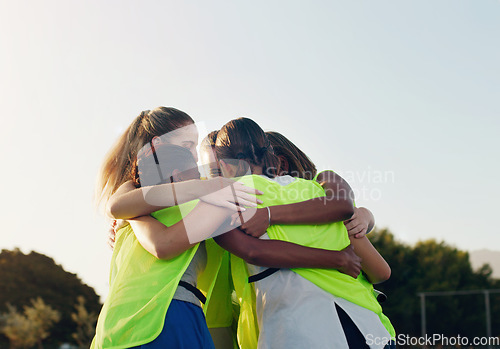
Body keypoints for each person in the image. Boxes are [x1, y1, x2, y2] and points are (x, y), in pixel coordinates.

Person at [94, 107, 364, 348]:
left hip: (160, 320)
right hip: (154, 319)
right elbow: (128, 215)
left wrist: (363, 214)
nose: (200, 164)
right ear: (157, 146)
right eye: (187, 146)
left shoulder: (210, 200)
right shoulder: (149, 196)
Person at [212, 118, 396, 349]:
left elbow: (253, 251)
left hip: (299, 328)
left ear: (226, 166)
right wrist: (362, 223)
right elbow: (345, 208)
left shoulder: (232, 195)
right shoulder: (320, 189)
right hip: (369, 325)